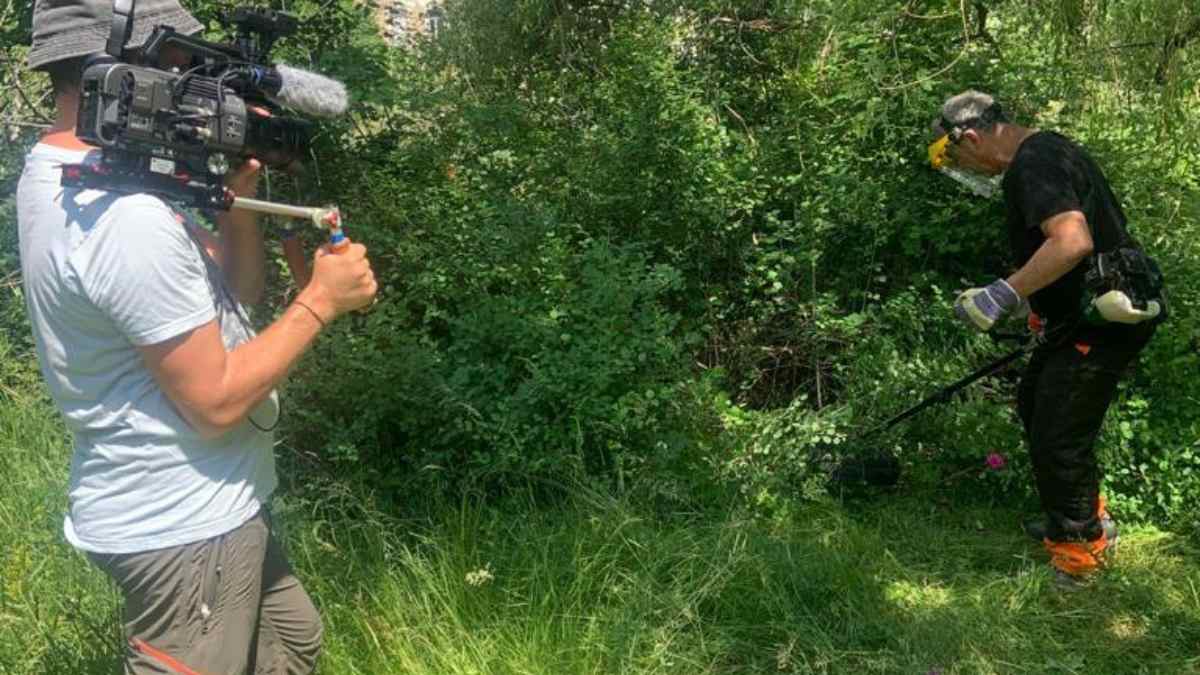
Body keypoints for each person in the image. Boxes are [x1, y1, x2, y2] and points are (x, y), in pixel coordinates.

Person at [17, 1, 378, 671]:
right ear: (124, 59)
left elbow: (234, 293)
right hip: (182, 527)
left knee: (292, 643)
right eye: (178, 55)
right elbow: (213, 402)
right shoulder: (124, 218)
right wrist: (322, 301)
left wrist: (238, 198)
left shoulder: (76, 177)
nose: (189, 72)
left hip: (214, 506)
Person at [930, 90, 1162, 587]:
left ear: (971, 137)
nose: (968, 167)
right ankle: (1077, 517)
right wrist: (1040, 310)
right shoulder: (1048, 149)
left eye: (960, 156)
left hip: (1101, 320)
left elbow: (1073, 241)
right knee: (1037, 404)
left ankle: (1079, 558)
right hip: (1079, 314)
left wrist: (1002, 295)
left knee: (1058, 434)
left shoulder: (1031, 165)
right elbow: (1056, 249)